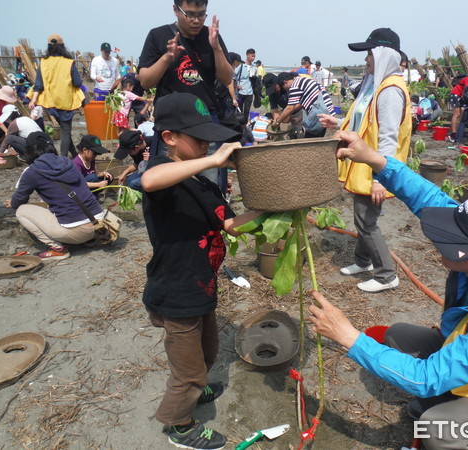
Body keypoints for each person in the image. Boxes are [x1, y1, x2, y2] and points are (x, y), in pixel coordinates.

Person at [309, 129, 468, 450]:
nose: (440, 241)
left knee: (437, 428)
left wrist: (347, 335)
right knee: (398, 336)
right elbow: (430, 200)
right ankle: (450, 399)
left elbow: (426, 378)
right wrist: (372, 158)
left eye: (454, 242)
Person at [140, 92, 263, 450]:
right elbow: (149, 182)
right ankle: (179, 425)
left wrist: (272, 211)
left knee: (208, 350)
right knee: (188, 373)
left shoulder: (203, 184)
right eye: (198, 137)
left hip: (202, 288)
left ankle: (198, 387)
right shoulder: (163, 179)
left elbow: (231, 225)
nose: (208, 142)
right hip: (175, 293)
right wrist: (212, 158)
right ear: (169, 139)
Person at [318, 27, 411, 293]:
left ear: (383, 55)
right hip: (365, 166)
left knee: (366, 222)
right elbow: (365, 122)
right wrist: (337, 121)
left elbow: (389, 138)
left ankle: (386, 275)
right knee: (362, 218)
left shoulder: (390, 90)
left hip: (374, 169)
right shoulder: (377, 86)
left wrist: (382, 179)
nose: (366, 60)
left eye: (369, 54)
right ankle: (362, 261)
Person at [137, 0, 234, 191]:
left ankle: (211, 217)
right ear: (175, 10)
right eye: (189, 14)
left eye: (201, 14)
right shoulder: (158, 35)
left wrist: (216, 48)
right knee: (169, 183)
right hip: (173, 124)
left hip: (206, 118)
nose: (196, 21)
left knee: (210, 179)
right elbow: (145, 81)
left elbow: (226, 78)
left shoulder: (211, 36)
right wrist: (166, 58)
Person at [7, 131, 105, 260]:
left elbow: (19, 200)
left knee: (21, 211)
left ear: (29, 151)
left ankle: (57, 249)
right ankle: (86, 239)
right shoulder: (67, 162)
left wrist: (12, 202)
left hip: (77, 232)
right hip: (100, 224)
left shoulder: (32, 172)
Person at [29, 34, 85, 158]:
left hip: (50, 102)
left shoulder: (43, 63)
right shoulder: (69, 62)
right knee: (66, 131)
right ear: (62, 47)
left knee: (65, 131)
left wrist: (33, 100)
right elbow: (77, 82)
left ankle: (74, 154)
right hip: (66, 101)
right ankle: (63, 158)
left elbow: (38, 84)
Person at [273, 72, 334, 138]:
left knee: (310, 138)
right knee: (316, 137)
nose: (286, 90)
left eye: (284, 88)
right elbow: (301, 104)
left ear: (285, 82)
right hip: (326, 110)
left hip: (320, 111)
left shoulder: (295, 86)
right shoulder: (302, 80)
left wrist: (277, 122)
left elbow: (289, 108)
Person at [448, 73, 468, 143]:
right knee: (456, 114)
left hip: (458, 95)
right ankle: (453, 133)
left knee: (460, 114)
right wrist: (463, 96)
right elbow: (466, 88)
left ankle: (456, 132)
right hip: (456, 94)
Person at [233, 48, 256, 122]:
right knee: (239, 110)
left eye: (254, 56)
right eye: (252, 56)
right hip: (241, 92)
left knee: (247, 111)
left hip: (250, 92)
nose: (253, 58)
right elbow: (233, 76)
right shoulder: (241, 66)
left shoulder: (254, 66)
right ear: (247, 55)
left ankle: (245, 125)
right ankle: (238, 124)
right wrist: (237, 85)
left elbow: (256, 79)